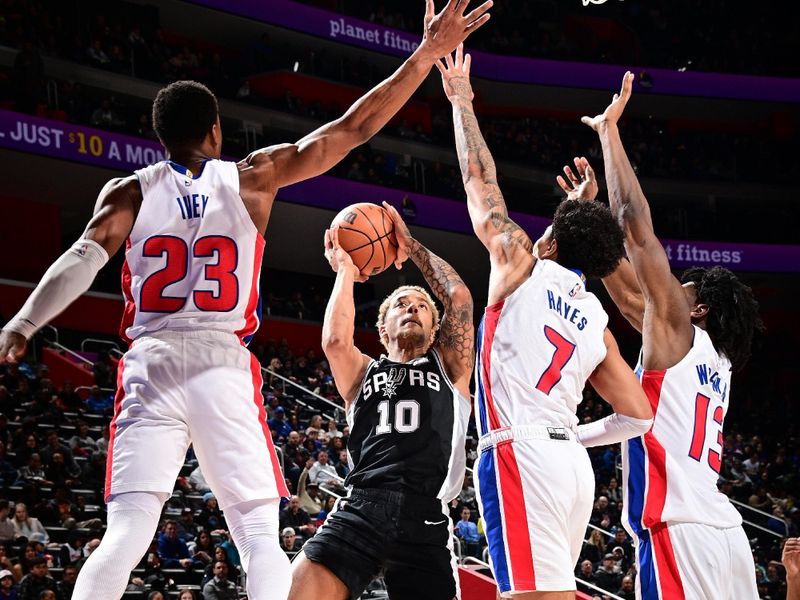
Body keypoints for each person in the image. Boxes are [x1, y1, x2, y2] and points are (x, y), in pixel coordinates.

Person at [0, 2, 491, 598]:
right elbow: (352, 128)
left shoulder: (127, 191)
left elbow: (82, 259)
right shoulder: (252, 177)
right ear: (214, 132)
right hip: (218, 361)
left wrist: (25, 322)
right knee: (258, 532)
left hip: (149, 361)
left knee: (125, 533)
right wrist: (424, 55)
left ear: (162, 137)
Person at [438, 46, 652, 599]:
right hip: (568, 468)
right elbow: (637, 415)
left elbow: (477, 178)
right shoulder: (595, 315)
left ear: (551, 240)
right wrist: (573, 436)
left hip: (519, 452)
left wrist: (461, 99)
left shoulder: (516, 261)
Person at [580, 71, 763, 599]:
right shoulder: (713, 358)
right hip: (727, 535)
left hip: (681, 531)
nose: (666, 286)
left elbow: (634, 225)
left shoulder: (680, 331)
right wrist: (584, 214)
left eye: (680, 287)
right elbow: (625, 291)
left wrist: (609, 135)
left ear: (699, 308)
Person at [290, 191, 474, 600]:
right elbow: (336, 341)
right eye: (401, 305)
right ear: (383, 328)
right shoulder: (362, 371)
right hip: (362, 506)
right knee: (297, 589)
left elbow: (459, 297)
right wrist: (345, 271)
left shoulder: (450, 367)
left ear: (434, 327)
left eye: (422, 306)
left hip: (424, 515)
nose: (412, 308)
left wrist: (411, 248)